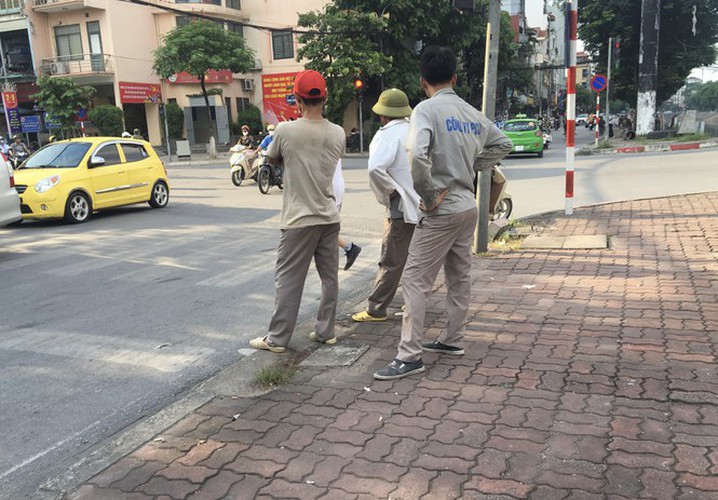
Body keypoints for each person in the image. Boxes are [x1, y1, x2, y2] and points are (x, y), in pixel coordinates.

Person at [373, 46, 513, 380]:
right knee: (459, 276)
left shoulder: (425, 110)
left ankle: (409, 355)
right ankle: (452, 339)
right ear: (454, 77)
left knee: (415, 280)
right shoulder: (471, 112)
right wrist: (471, 169)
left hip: (441, 210)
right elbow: (502, 144)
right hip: (467, 207)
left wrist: (429, 194)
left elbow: (416, 155)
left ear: (423, 81)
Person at [249, 69, 345, 353]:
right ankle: (326, 331)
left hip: (298, 220)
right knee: (330, 278)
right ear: (324, 98)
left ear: (298, 101)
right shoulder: (338, 132)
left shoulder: (285, 130)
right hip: (329, 216)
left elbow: (273, 157)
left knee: (289, 279)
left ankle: (277, 339)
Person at [351, 88, 419, 322]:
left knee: (391, 259)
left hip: (400, 205)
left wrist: (388, 192)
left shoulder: (386, 135)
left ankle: (376, 308)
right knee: (415, 260)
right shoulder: (416, 130)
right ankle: (412, 304)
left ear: (383, 115)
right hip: (423, 203)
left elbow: (375, 168)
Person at [332, 160, 361, 270]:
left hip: (328, 192)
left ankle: (349, 249)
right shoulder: (336, 142)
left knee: (324, 233)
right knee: (325, 232)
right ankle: (349, 248)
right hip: (334, 190)